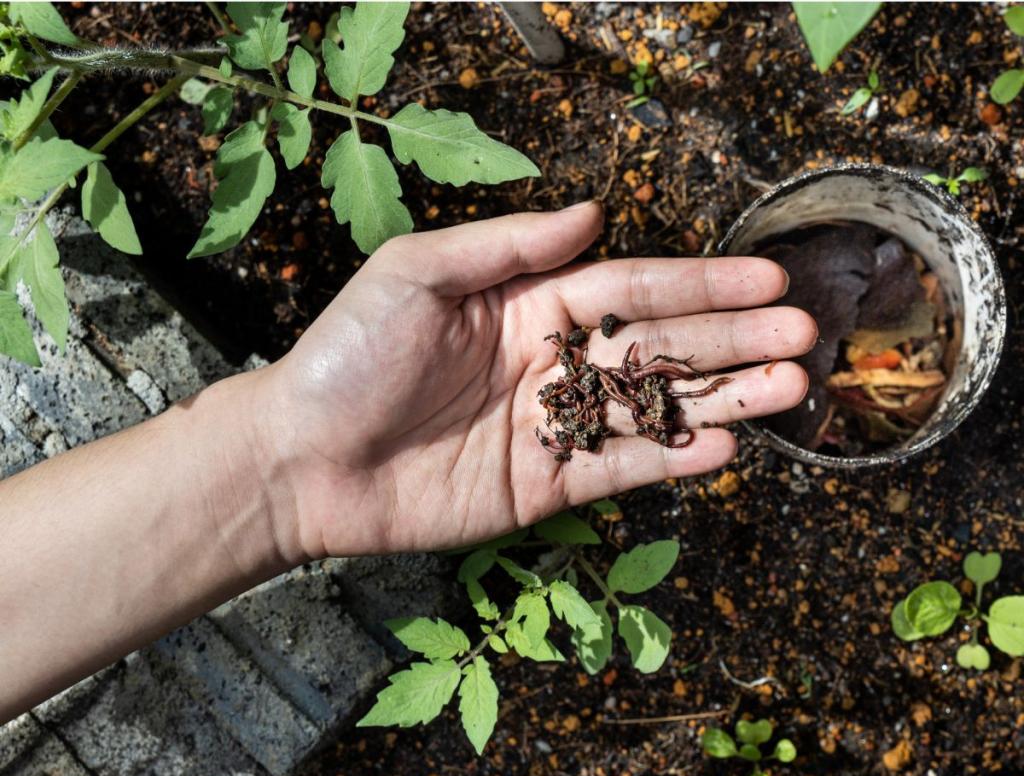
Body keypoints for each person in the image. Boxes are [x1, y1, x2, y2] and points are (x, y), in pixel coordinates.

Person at [0, 202, 816, 724]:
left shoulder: (570, 385)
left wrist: (277, 457)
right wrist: (276, 463)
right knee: (673, 399)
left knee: (675, 396)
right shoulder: (568, 395)